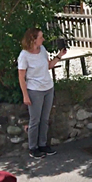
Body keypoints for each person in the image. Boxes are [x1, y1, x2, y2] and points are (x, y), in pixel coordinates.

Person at [18, 28, 65, 160]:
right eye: (40, 37)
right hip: (34, 90)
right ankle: (33, 148)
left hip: (48, 87)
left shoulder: (42, 49)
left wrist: (59, 55)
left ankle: (43, 145)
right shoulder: (24, 55)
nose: (43, 39)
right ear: (33, 39)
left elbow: (48, 66)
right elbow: (21, 77)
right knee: (35, 120)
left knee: (45, 119)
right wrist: (25, 95)